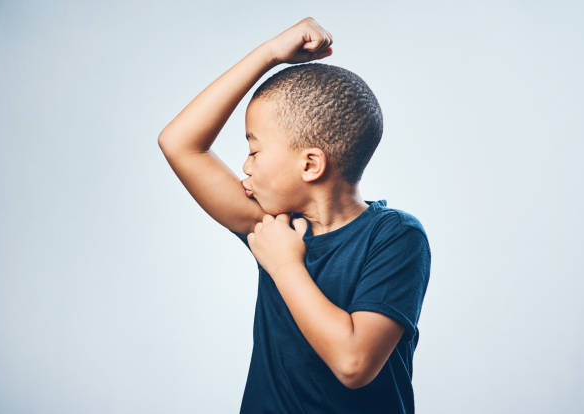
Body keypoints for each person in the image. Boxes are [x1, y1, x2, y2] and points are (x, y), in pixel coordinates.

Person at [158, 17, 431, 414]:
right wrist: (270, 54)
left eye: (254, 150)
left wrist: (286, 265)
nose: (245, 166)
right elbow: (179, 143)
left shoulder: (396, 237)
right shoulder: (269, 224)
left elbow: (354, 364)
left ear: (310, 164)